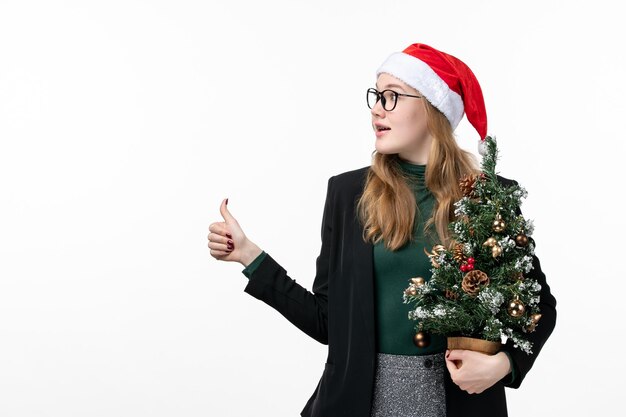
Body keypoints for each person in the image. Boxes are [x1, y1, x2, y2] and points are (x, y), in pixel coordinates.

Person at [207, 43, 557, 417]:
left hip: (459, 404)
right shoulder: (348, 194)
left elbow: (540, 309)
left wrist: (503, 364)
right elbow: (329, 321)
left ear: (433, 108)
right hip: (360, 403)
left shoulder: (488, 198)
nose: (377, 108)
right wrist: (250, 256)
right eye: (376, 96)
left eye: (392, 97)